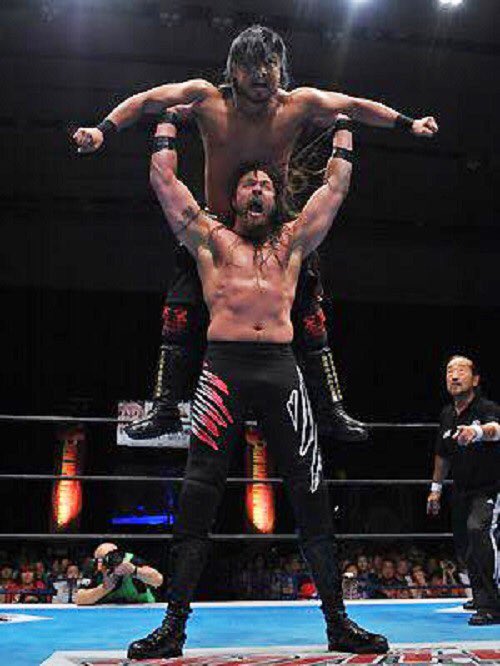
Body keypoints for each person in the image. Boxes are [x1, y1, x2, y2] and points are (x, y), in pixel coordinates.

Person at [73, 25, 438, 444]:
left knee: (310, 317)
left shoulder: (298, 104)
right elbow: (146, 100)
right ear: (234, 69)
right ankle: (166, 407)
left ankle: (330, 410)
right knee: (179, 314)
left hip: (276, 229)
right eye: (251, 66)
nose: (262, 74)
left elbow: (353, 105)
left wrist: (409, 123)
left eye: (270, 64)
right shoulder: (207, 98)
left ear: (282, 68)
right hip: (214, 229)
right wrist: (102, 130)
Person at [126, 112, 388, 660]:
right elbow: (163, 181)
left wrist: (343, 128)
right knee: (198, 493)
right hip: (222, 370)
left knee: (311, 492)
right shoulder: (210, 240)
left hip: (281, 371)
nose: (258, 190)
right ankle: (172, 628)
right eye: (249, 183)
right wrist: (168, 123)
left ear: (276, 197)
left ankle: (338, 623)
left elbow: (335, 188)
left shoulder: (293, 243)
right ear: (233, 195)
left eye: (266, 184)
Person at [427, 355, 500, 625]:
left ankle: (492, 604)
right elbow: (442, 455)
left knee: (479, 531)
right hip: (461, 490)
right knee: (465, 543)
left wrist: (476, 432)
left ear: (475, 379)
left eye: (461, 370)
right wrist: (435, 489)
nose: (454, 376)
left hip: (490, 488)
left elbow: (497, 429)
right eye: (449, 371)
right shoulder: (447, 415)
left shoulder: (486, 408)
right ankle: (481, 596)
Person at [74, 542, 163, 606]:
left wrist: (135, 571)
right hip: (107, 614)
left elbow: (158, 580)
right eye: (102, 560)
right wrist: (104, 589)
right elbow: (79, 599)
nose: (108, 563)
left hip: (143, 609)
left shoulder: (131, 560)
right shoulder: (94, 567)